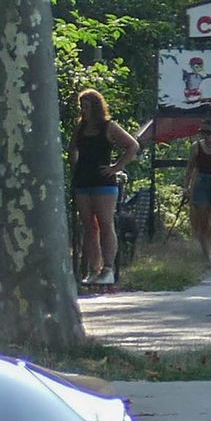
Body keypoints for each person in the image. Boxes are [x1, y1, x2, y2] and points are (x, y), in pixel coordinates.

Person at [67, 88, 138, 286]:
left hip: (104, 182)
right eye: (82, 107)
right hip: (83, 181)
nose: (84, 110)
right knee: (89, 226)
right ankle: (93, 269)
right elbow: (72, 148)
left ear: (96, 107)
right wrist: (75, 167)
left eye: (88, 107)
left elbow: (132, 145)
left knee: (106, 223)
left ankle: (108, 269)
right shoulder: (80, 127)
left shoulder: (109, 127)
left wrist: (117, 167)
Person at [191, 117, 211, 267]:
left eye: (208, 132)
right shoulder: (196, 146)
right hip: (202, 183)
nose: (205, 135)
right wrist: (186, 187)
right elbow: (190, 168)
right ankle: (207, 257)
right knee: (203, 222)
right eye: (202, 132)